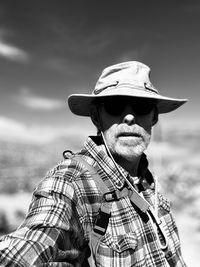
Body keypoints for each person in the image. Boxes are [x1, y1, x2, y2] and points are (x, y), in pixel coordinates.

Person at [0, 61, 187, 267]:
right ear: (96, 117)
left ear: (154, 117)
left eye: (142, 106)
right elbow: (31, 246)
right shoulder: (70, 182)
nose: (130, 116)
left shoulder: (145, 179)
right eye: (115, 105)